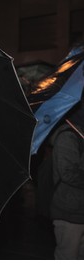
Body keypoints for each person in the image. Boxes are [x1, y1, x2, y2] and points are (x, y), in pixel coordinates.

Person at [49, 101, 84, 259]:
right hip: (69, 212)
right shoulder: (68, 135)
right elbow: (68, 173)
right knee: (68, 257)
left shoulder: (80, 134)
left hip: (79, 210)